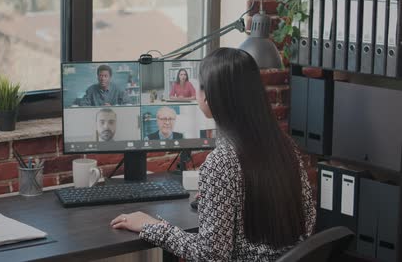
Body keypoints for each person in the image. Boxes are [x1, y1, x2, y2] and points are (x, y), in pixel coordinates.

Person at [111, 48, 315, 261]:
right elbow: (307, 221)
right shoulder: (284, 146)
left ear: (208, 96)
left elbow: (211, 255)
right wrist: (222, 200)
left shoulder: (222, 162)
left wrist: (152, 226)